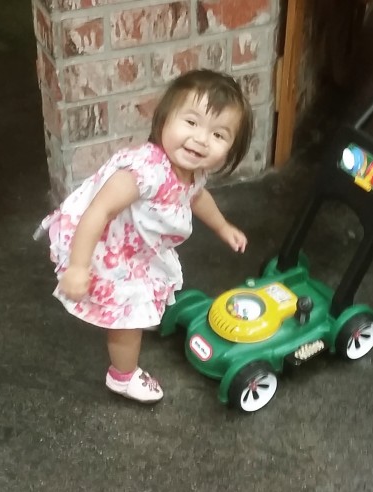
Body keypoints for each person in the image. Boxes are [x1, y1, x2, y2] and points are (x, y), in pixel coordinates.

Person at [35, 69, 254, 404]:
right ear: (165, 119)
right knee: (127, 321)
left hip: (137, 247)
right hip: (107, 248)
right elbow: (98, 211)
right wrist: (78, 267)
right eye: (191, 122)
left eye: (218, 134)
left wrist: (222, 226)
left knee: (140, 303)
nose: (201, 139)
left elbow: (197, 196)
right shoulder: (145, 171)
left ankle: (136, 326)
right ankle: (123, 377)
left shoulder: (191, 172)